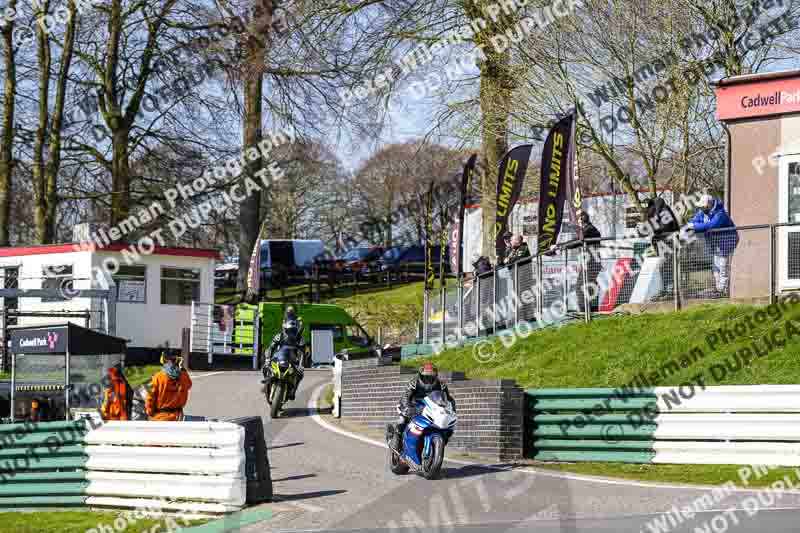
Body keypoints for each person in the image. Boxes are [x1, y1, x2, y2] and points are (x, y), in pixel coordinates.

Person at [389, 363, 456, 452]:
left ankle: (435, 444)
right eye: (426, 377)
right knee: (403, 420)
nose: (428, 379)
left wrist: (452, 410)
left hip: (430, 406)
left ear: (435, 376)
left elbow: (448, 399)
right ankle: (396, 440)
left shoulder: (441, 385)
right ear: (421, 375)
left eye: (431, 377)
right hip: (413, 404)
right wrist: (407, 407)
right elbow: (406, 396)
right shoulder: (415, 382)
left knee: (445, 425)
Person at [687, 194, 739, 297]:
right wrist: (692, 225)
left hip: (727, 243)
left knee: (723, 266)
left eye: (704, 206)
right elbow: (694, 221)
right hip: (716, 243)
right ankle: (718, 288)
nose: (702, 209)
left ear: (709, 204)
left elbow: (711, 225)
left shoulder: (720, 214)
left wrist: (694, 226)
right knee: (716, 266)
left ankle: (722, 289)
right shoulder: (703, 212)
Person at [264, 314, 307, 399]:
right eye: (289, 331)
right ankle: (267, 381)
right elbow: (270, 348)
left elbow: (302, 353)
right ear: (285, 330)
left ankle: (293, 391)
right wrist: (267, 359)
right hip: (279, 357)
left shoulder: (300, 339)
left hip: (292, 360)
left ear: (296, 330)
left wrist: (301, 365)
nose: (291, 333)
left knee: (300, 374)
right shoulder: (279, 336)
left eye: (293, 331)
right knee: (265, 367)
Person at [645, 197, 680, 299]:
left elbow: (666, 226)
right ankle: (665, 289)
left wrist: (654, 231)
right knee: (663, 267)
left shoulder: (664, 211)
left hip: (668, 242)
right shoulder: (656, 211)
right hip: (662, 242)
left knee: (667, 266)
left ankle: (670, 290)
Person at [145, 352, 192, 421]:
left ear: (163, 361)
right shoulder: (183, 376)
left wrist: (150, 412)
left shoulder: (156, 377)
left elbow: (149, 398)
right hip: (178, 417)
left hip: (160, 418)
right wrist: (182, 368)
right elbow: (189, 384)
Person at [577, 212, 602, 314]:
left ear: (582, 220)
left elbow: (579, 240)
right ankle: (592, 309)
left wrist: (563, 246)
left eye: (578, 220)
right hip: (591, 261)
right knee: (589, 285)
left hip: (591, 262)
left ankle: (586, 311)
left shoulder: (589, 229)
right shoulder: (589, 229)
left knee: (580, 286)